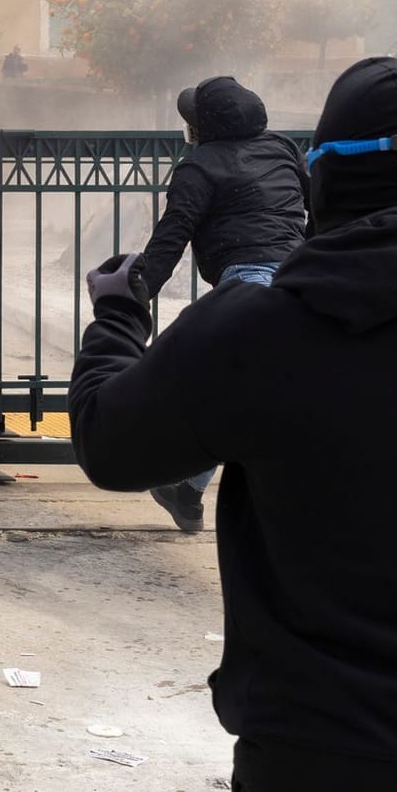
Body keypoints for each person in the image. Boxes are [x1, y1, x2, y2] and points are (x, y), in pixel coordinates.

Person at [69, 57, 397, 792]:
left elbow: (110, 445)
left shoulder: (253, 331)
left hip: (313, 752)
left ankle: (191, 479)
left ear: (325, 178)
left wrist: (118, 317)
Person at [132, 76, 307, 532]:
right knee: (256, 393)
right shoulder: (282, 147)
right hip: (299, 279)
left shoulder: (199, 165)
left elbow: (173, 233)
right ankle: (188, 491)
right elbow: (318, 206)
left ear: (202, 125)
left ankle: (191, 490)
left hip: (247, 285)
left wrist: (133, 297)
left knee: (222, 390)